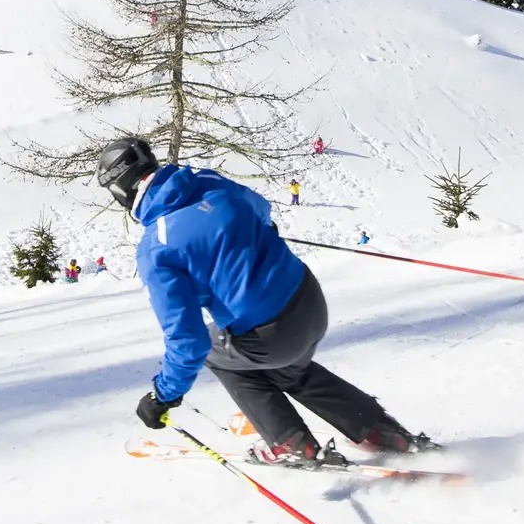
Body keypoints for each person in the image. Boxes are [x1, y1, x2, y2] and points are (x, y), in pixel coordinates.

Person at [98, 136, 432, 466]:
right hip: (308, 301)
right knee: (289, 371)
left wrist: (163, 396)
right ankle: (381, 431)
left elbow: (189, 342)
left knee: (215, 352)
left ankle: (291, 444)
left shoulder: (156, 249)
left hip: (272, 334)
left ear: (121, 190)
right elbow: (262, 209)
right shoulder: (207, 181)